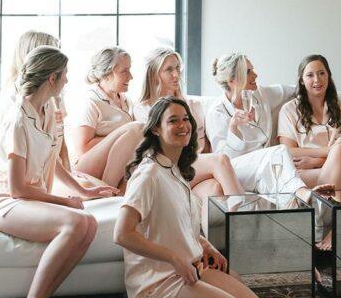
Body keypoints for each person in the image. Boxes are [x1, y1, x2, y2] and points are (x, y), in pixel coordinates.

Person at [0, 46, 117, 298]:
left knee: (89, 223)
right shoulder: (18, 120)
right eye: (66, 76)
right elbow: (17, 188)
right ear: (53, 79)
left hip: (28, 198)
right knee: (74, 222)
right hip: (7, 201)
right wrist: (65, 202)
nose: (68, 81)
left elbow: (53, 160)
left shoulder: (47, 110)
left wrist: (84, 190)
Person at [114, 96, 264, 298]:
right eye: (173, 120)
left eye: (186, 119)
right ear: (155, 129)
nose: (183, 125)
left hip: (192, 268)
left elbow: (179, 223)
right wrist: (174, 258)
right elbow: (122, 234)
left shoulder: (175, 170)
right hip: (159, 281)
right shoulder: (148, 174)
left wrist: (206, 245)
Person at [134, 47, 243, 198]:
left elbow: (206, 148)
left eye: (178, 68)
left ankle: (222, 220)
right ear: (154, 74)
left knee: (214, 190)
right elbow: (151, 151)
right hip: (167, 168)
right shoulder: (143, 109)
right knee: (220, 160)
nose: (176, 74)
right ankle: (247, 220)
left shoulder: (195, 106)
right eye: (169, 69)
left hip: (194, 169)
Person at [206, 52, 306, 196]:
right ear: (232, 80)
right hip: (235, 171)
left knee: (276, 178)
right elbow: (222, 161)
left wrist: (328, 93)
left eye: (252, 70)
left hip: (264, 168)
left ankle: (302, 208)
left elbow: (294, 90)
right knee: (279, 151)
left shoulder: (261, 95)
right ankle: (302, 193)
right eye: (248, 72)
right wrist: (233, 129)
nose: (255, 75)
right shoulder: (217, 113)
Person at [277, 54, 341, 191]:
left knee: (340, 149)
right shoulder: (289, 110)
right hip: (306, 172)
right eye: (310, 75)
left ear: (328, 76)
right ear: (302, 80)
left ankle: (320, 208)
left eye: (322, 73)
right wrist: (328, 151)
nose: (317, 80)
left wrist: (316, 161)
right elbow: (288, 151)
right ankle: (327, 206)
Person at [68, 47, 144, 190]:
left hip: (119, 165)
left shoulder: (126, 101)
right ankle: (109, 189)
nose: (131, 76)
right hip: (86, 166)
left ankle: (119, 196)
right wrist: (123, 138)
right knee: (136, 130)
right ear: (106, 73)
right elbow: (83, 148)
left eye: (130, 69)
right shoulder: (90, 102)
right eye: (124, 71)